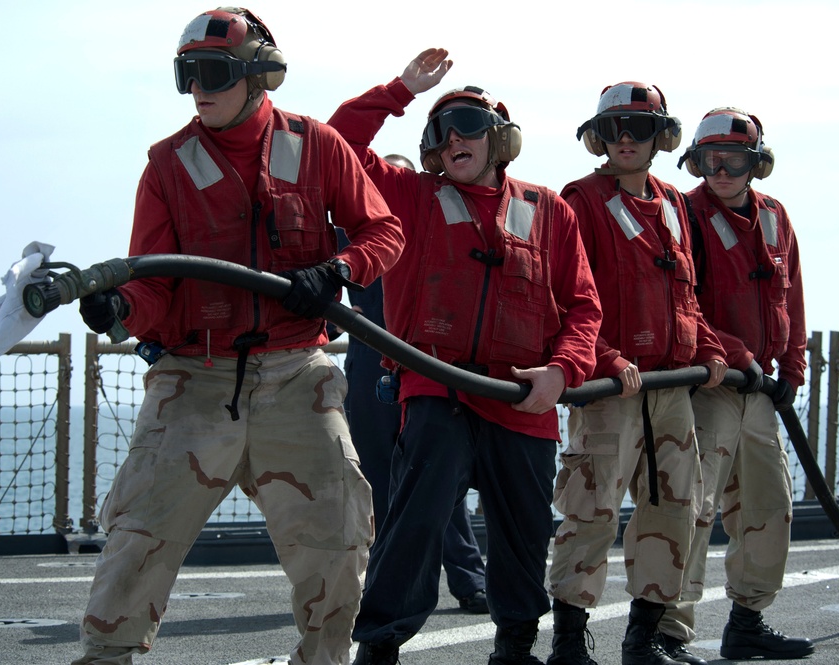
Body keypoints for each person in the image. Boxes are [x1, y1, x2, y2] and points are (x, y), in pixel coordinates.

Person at [71, 8, 404, 665]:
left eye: (213, 72)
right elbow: (153, 285)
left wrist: (336, 269)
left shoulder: (317, 146)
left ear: (258, 76)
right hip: (194, 379)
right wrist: (117, 306)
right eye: (187, 74)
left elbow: (383, 232)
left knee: (337, 539)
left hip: (297, 377)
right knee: (137, 539)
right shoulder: (166, 166)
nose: (198, 88)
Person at [328, 48, 602, 665]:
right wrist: (399, 90)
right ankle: (379, 648)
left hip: (524, 400)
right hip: (436, 393)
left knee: (524, 533)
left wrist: (563, 372)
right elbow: (335, 144)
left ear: (498, 139)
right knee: (415, 524)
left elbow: (583, 306)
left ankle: (515, 647)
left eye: (470, 126)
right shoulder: (409, 196)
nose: (456, 137)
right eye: (442, 129)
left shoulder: (550, 210)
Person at [547, 82, 728, 665]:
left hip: (670, 390)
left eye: (641, 128)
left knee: (675, 509)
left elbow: (687, 295)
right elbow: (564, 298)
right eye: (617, 127)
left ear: (661, 138)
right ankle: (570, 643)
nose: (627, 139)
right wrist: (607, 358)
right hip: (610, 391)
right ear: (600, 136)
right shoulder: (578, 201)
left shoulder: (674, 203)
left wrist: (708, 348)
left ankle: (643, 639)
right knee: (590, 513)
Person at [655, 108, 813, 662]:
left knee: (769, 506)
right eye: (710, 160)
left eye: (733, 160)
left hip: (761, 393)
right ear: (696, 161)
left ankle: (748, 621)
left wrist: (792, 366)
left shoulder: (774, 217)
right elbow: (683, 302)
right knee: (692, 507)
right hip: (711, 384)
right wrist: (735, 352)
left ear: (756, 164)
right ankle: (669, 631)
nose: (720, 171)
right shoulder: (685, 216)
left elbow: (789, 295)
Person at [339, 152, 491, 615]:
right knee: (380, 483)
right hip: (368, 364)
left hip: (425, 363)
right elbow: (316, 284)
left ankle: (469, 580)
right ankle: (388, 588)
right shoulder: (349, 230)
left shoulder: (434, 226)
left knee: (436, 477)